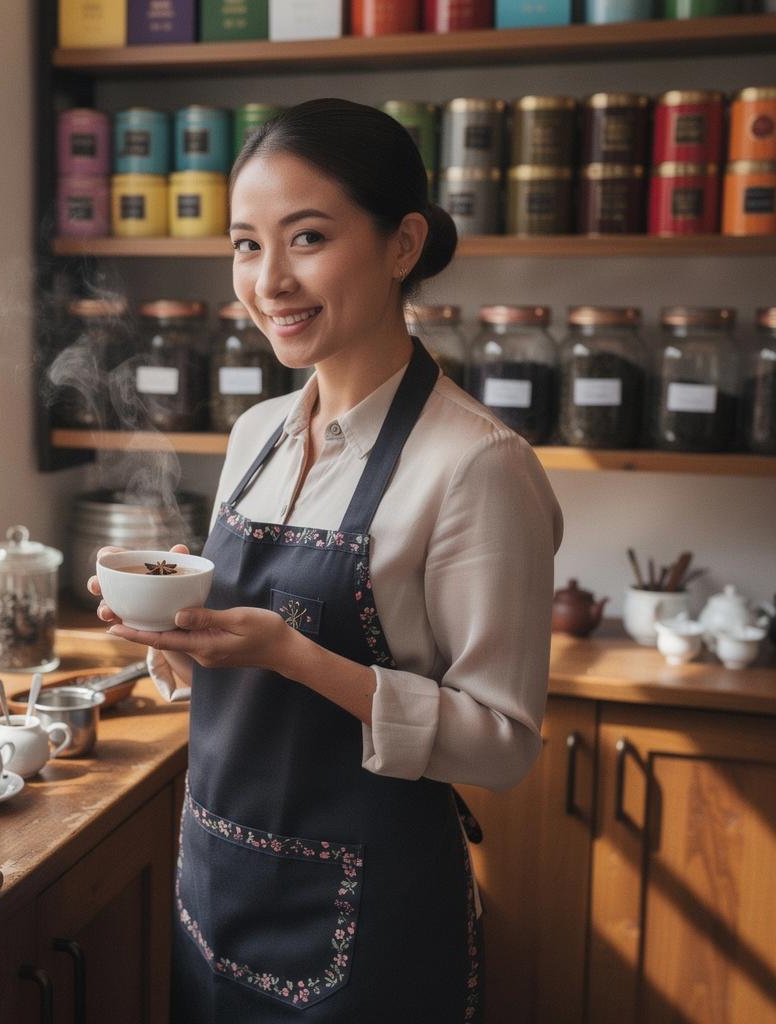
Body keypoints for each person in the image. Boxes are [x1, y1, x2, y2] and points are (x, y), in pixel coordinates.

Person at [88, 97, 564, 1023]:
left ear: (402, 244)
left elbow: (503, 745)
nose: (270, 281)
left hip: (370, 924)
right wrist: (175, 635)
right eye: (246, 245)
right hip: (214, 893)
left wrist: (292, 654)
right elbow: (236, 691)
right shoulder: (256, 434)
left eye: (307, 237)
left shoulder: (476, 465)